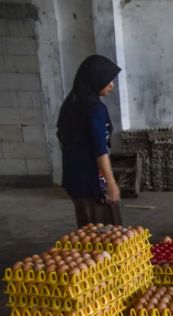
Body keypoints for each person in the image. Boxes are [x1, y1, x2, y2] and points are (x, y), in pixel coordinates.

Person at [57, 55, 123, 228]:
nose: (112, 85)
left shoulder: (70, 104)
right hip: (92, 181)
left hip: (74, 178)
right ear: (95, 79)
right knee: (107, 234)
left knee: (87, 228)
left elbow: (61, 138)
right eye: (107, 80)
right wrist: (110, 183)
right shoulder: (94, 108)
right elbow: (99, 148)